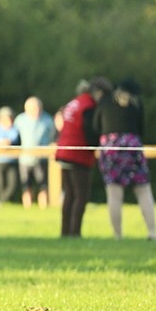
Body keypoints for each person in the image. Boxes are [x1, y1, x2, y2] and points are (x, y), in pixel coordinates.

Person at [94, 79, 156, 240]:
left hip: (111, 147)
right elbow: (141, 128)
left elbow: (96, 125)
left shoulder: (106, 101)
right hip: (133, 145)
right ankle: (152, 232)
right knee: (143, 190)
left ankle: (118, 235)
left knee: (114, 193)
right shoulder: (137, 104)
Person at [55, 79, 108, 238]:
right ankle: (75, 232)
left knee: (70, 194)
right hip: (78, 153)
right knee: (81, 195)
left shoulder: (75, 102)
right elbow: (89, 132)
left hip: (64, 151)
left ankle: (65, 232)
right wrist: (98, 142)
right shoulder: (88, 106)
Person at [14, 96, 56, 209]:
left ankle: (43, 207)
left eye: (37, 107)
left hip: (41, 158)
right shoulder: (20, 120)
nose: (36, 110)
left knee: (43, 184)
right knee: (26, 184)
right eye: (33, 108)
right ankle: (27, 207)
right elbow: (14, 137)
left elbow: (53, 137)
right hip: (24, 158)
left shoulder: (47, 120)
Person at [0, 106, 20, 205]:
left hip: (12, 160)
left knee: (12, 184)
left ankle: (1, 202)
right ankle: (2, 204)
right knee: (0, 184)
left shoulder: (15, 129)